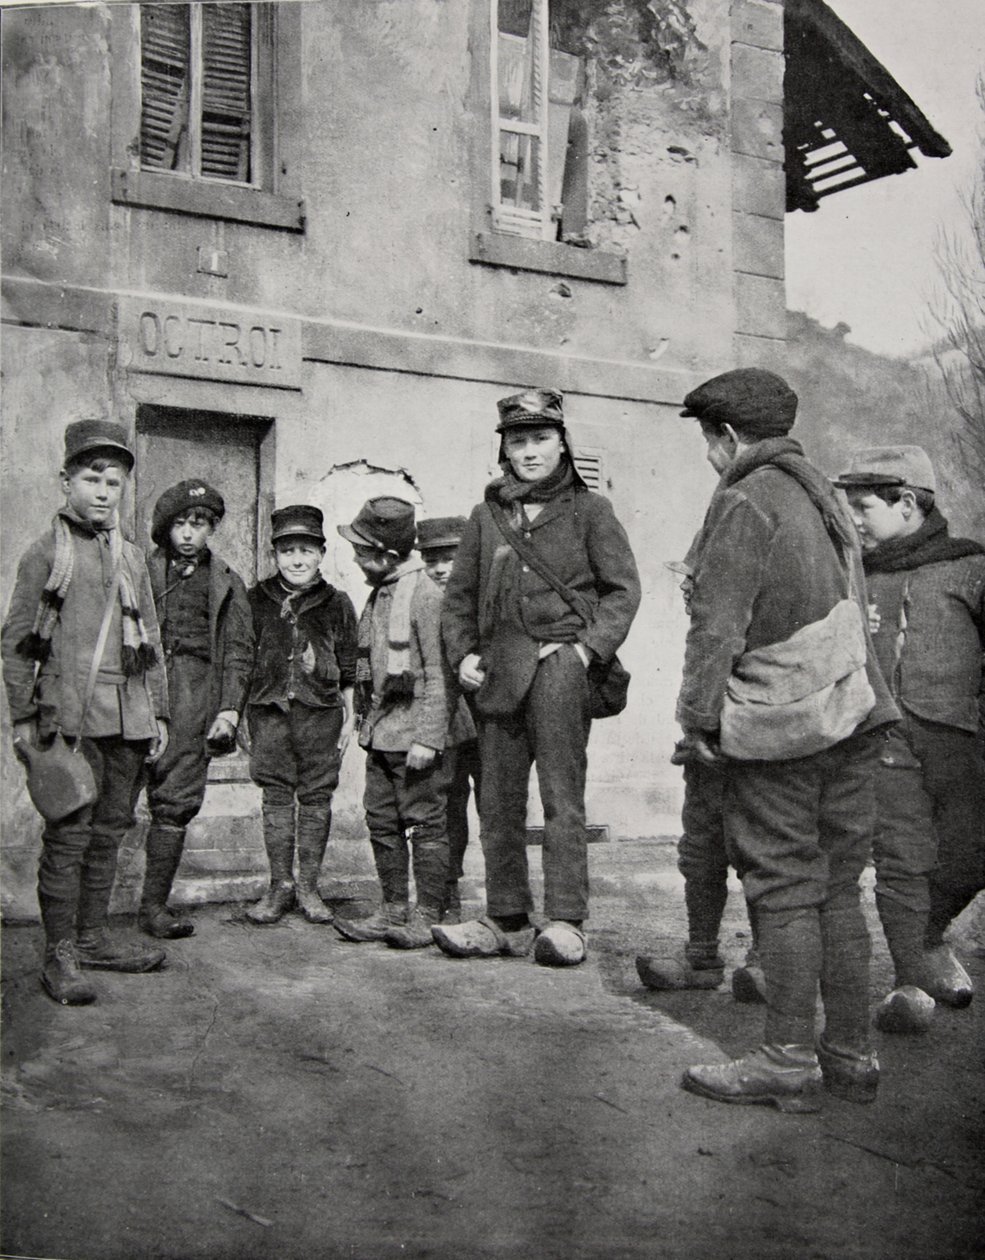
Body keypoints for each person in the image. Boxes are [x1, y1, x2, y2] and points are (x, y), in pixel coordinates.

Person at [674, 369, 898, 1111]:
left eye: (708, 441)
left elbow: (717, 626)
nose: (709, 456)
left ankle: (785, 1058)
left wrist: (698, 720)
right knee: (837, 888)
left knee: (783, 888)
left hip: (782, 726)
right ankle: (850, 1052)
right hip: (855, 715)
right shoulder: (824, 493)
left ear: (728, 436)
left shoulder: (743, 499)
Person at [435, 388, 641, 967]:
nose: (529, 451)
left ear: (562, 444)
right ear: (504, 448)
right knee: (497, 801)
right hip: (499, 674)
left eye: (540, 439)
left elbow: (623, 590)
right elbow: (459, 599)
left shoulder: (590, 510)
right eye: (518, 440)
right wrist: (463, 656)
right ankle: (505, 918)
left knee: (560, 798)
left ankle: (566, 921)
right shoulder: (486, 515)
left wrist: (585, 651)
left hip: (559, 670)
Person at [2, 418, 170, 1005]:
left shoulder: (128, 555)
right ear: (65, 482)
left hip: (126, 719)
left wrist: (160, 715)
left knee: (110, 833)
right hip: (67, 721)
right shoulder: (47, 553)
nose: (104, 491)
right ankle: (60, 954)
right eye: (92, 478)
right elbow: (17, 642)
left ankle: (94, 937)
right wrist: (25, 721)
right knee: (70, 837)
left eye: (115, 481)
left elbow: (149, 636)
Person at [833, 446, 985, 1033]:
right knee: (901, 860)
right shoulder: (855, 574)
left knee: (970, 856)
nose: (855, 518)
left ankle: (927, 942)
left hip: (959, 741)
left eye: (865, 506)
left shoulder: (969, 566)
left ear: (907, 503)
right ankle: (908, 981)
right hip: (885, 741)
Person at [636, 554, 765, 1002]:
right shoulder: (704, 630)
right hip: (704, 758)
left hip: (752, 755)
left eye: (695, 580)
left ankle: (766, 961)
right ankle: (701, 957)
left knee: (757, 856)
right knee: (700, 854)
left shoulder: (755, 619)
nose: (685, 589)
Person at [333, 497, 453, 949]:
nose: (357, 559)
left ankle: (427, 915)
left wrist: (428, 737)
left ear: (386, 555)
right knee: (381, 820)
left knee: (424, 823)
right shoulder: (382, 591)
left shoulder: (424, 595)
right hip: (381, 733)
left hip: (415, 737)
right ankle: (392, 909)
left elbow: (439, 674)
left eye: (363, 551)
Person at [139, 480, 252, 939]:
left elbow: (240, 652)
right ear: (166, 528)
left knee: (176, 801)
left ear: (211, 529)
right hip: (140, 687)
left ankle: (152, 908)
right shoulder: (139, 572)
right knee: (114, 796)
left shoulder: (227, 580)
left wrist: (228, 710)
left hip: (195, 694)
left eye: (199, 524)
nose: (188, 533)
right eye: (181, 524)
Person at [244, 505, 357, 925]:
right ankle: (280, 887)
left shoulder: (337, 603)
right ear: (274, 555)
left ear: (321, 554)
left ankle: (309, 887)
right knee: (275, 795)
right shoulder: (255, 600)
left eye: (306, 550)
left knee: (315, 796)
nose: (296, 559)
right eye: (287, 550)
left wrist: (350, 717)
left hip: (321, 715)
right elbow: (241, 659)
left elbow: (351, 667)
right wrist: (239, 715)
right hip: (269, 713)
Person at [418, 515, 481, 923]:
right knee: (448, 807)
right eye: (432, 560)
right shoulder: (422, 603)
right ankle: (448, 891)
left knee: (496, 806)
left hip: (491, 718)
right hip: (448, 724)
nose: (441, 569)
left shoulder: (484, 601)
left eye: (450, 559)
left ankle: (509, 904)